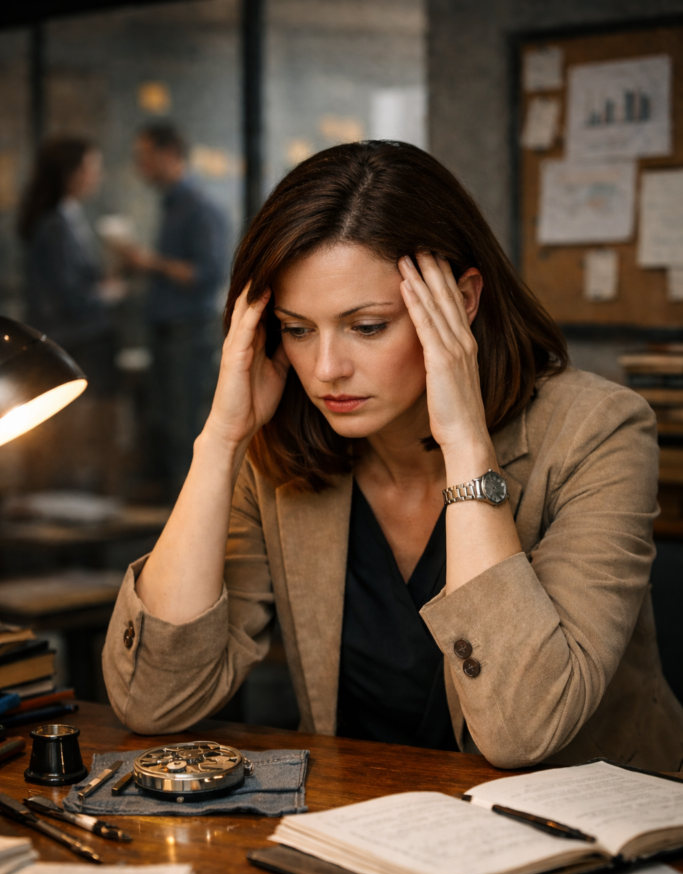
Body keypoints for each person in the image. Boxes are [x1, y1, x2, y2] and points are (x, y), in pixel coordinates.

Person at [103, 141, 683, 772]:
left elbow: (523, 730)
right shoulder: (282, 453)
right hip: (358, 834)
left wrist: (465, 442)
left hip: (586, 847)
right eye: (298, 330)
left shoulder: (598, 432)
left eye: (368, 326)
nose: (326, 370)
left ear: (461, 301)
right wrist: (220, 441)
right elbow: (153, 701)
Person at [121, 122, 230, 497]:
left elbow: (209, 274)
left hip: (189, 332)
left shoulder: (201, 207)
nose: (141, 167)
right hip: (165, 332)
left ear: (170, 155)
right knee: (166, 425)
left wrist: (149, 263)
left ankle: (193, 524)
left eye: (146, 158)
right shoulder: (170, 206)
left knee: (187, 429)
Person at [18, 137, 124, 394]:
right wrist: (107, 293)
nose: (97, 176)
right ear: (70, 174)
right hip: (75, 339)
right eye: (91, 168)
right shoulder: (55, 224)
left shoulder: (68, 215)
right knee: (85, 420)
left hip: (77, 336)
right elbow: (67, 294)